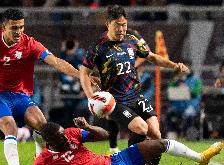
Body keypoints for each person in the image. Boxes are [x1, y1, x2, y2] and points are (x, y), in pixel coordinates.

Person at [0, 117, 224, 165]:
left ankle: (200, 158)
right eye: (60, 137)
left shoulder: (70, 133)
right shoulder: (44, 161)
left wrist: (88, 127)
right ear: (50, 142)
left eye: (64, 134)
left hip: (113, 161)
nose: (65, 138)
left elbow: (103, 134)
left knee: (158, 143)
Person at [0, 8, 80, 165]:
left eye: (21, 27)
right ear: (3, 26)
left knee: (43, 127)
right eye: (14, 28)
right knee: (9, 125)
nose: (19, 32)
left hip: (19, 94)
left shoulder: (30, 44)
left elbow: (56, 62)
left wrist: (82, 76)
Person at [80, 5, 189, 147]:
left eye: (124, 25)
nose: (121, 29)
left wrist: (174, 65)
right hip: (116, 101)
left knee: (156, 134)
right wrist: (91, 98)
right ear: (108, 24)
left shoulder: (132, 39)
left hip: (136, 96)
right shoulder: (98, 47)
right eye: (117, 25)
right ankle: (126, 159)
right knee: (141, 128)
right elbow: (84, 72)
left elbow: (151, 57)